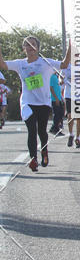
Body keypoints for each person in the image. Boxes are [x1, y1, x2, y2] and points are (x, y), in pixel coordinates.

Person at [0, 36, 70, 170]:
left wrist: (70, 49)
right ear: (23, 49)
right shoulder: (20, 64)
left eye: (33, 44)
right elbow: (2, 65)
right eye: (27, 45)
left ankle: (44, 150)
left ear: (38, 48)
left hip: (43, 103)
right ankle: (33, 159)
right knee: (32, 129)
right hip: (27, 102)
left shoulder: (46, 62)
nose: (30, 47)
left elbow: (64, 65)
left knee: (42, 132)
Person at [48, 71, 65, 135]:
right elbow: (51, 88)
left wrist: (62, 81)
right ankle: (55, 129)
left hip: (59, 97)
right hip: (54, 99)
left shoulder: (56, 76)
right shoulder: (52, 76)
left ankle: (54, 127)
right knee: (57, 114)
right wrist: (56, 98)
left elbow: (58, 86)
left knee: (60, 114)